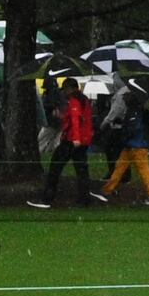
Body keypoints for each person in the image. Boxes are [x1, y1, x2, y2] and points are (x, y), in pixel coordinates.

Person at [29, 77, 97, 209]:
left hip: (72, 140)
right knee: (82, 170)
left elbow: (75, 120)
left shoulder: (75, 100)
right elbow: (84, 120)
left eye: (65, 89)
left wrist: (75, 138)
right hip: (84, 139)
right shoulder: (85, 100)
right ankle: (84, 199)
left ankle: (47, 198)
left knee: (55, 167)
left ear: (69, 88)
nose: (64, 93)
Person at [100, 79, 149, 206]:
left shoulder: (134, 112)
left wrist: (123, 132)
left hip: (137, 145)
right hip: (134, 144)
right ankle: (108, 189)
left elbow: (133, 128)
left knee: (142, 170)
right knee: (120, 166)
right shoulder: (139, 110)